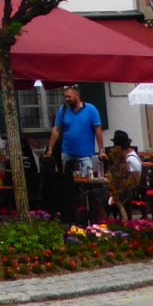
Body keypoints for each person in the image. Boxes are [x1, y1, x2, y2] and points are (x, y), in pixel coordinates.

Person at [46, 85, 103, 223]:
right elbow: (56, 129)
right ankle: (70, 214)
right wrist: (50, 149)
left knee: (86, 186)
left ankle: (88, 214)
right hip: (67, 153)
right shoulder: (63, 110)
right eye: (65, 96)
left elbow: (98, 129)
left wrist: (101, 150)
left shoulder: (90, 109)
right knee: (68, 185)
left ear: (77, 94)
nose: (67, 99)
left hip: (85, 154)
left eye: (69, 96)